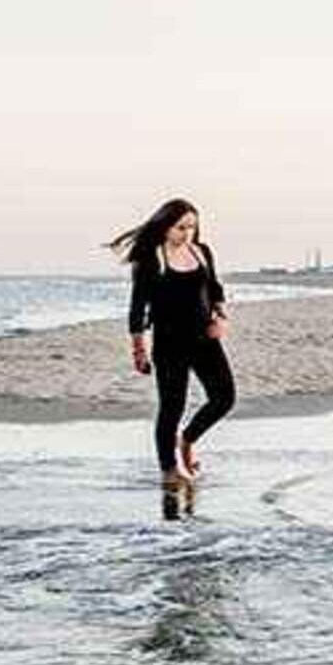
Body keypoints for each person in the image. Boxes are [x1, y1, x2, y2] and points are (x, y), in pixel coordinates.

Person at [108, 198, 234, 488]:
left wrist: (221, 318)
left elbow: (214, 288)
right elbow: (137, 307)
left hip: (205, 339)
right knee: (171, 407)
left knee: (224, 397)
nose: (186, 233)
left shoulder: (201, 252)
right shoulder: (152, 259)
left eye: (192, 227)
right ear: (165, 227)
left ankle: (187, 441)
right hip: (169, 344)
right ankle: (168, 470)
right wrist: (138, 349)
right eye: (180, 227)